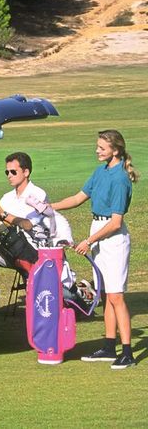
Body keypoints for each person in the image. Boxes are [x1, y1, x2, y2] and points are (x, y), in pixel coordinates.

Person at [51, 130, 138, 369]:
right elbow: (78, 197)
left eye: (101, 147)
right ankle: (110, 347)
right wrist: (49, 207)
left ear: (115, 151)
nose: (97, 150)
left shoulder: (120, 178)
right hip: (98, 229)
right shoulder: (100, 172)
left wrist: (89, 241)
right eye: (97, 146)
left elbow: (116, 222)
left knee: (117, 296)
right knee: (106, 295)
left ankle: (128, 353)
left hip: (113, 238)